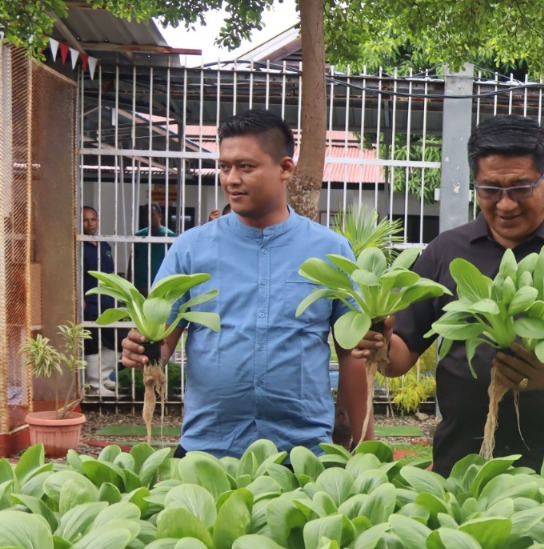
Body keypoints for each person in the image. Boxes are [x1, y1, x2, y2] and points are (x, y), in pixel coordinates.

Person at [356, 115, 544, 475]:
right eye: (490, 190)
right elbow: (401, 357)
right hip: (462, 461)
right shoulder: (446, 251)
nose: (505, 204)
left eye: (520, 188)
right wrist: (380, 343)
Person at [119, 109, 368, 458]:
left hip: (302, 452)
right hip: (207, 450)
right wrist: (142, 350)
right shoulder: (190, 249)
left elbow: (353, 354)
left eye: (245, 167)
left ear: (285, 168)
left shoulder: (331, 251)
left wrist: (366, 446)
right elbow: (163, 342)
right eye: (224, 167)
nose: (231, 179)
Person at [81, 206, 118, 395]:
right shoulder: (78, 246)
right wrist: (80, 298)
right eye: (85, 220)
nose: (90, 223)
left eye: (93, 219)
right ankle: (95, 386)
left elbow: (111, 273)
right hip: (89, 301)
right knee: (92, 343)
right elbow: (75, 274)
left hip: (107, 300)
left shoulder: (104, 245)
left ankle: (104, 378)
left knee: (114, 340)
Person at [130, 203, 176, 296]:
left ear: (160, 216)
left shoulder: (169, 236)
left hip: (160, 284)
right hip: (139, 285)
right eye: (145, 215)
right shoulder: (139, 235)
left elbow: (174, 262)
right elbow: (132, 260)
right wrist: (129, 283)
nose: (148, 217)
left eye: (152, 214)